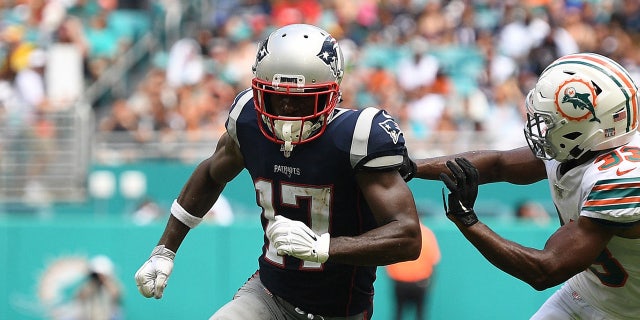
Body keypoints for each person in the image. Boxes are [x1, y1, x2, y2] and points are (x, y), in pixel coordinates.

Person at [134, 23, 422, 320]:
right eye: (274, 95)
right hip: (269, 297)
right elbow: (210, 174)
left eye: (300, 98)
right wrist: (164, 250)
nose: (285, 108)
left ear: (331, 95)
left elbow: (408, 237)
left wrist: (323, 246)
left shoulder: (356, 136)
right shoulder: (248, 121)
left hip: (339, 312)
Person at [405, 52, 640, 319]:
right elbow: (498, 163)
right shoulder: (579, 150)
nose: (539, 126)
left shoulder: (622, 178)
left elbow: (546, 270)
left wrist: (469, 222)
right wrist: (411, 168)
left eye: (550, 120)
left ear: (586, 127)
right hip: (586, 293)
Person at [385, 222, 440, 320]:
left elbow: (388, 258)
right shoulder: (427, 234)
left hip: (403, 282)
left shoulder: (399, 233)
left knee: (399, 313)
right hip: (418, 283)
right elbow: (434, 261)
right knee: (419, 314)